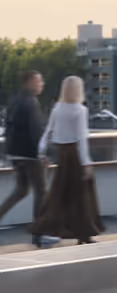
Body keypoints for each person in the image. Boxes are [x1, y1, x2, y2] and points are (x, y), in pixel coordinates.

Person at [31, 75, 104, 245]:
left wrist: (41, 153)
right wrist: (86, 164)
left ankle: (48, 229)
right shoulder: (80, 110)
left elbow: (48, 132)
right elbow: (81, 140)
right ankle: (84, 234)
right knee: (82, 196)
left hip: (62, 155)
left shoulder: (58, 108)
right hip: (75, 156)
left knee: (60, 194)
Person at [1, 69, 60, 245]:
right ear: (31, 81)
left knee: (21, 190)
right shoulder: (31, 103)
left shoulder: (15, 101)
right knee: (41, 192)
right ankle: (39, 234)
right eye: (39, 81)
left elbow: (9, 127)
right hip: (30, 155)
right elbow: (35, 132)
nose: (42, 84)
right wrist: (41, 155)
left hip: (15, 153)